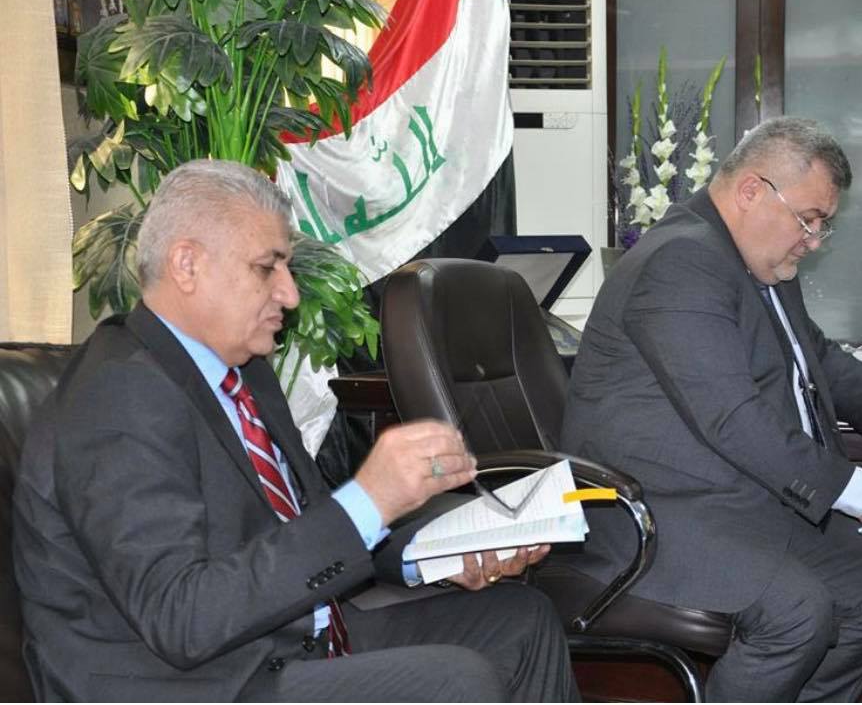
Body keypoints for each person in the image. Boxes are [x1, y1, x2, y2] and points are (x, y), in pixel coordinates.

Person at [13, 159, 578, 702]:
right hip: (193, 685)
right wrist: (370, 499)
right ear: (187, 265)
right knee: (453, 682)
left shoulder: (245, 374)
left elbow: (305, 529)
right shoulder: (119, 394)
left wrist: (438, 555)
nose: (289, 293)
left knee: (520, 623)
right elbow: (182, 617)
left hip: (282, 646)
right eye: (268, 267)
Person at [560, 117, 862, 701]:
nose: (814, 240)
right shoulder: (681, 262)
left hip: (734, 498)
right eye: (809, 219)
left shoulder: (757, 257)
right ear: (752, 191)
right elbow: (733, 417)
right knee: (796, 613)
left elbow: (813, 355)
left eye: (823, 224)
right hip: (655, 511)